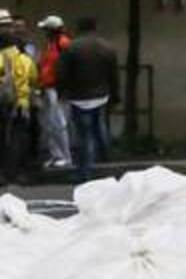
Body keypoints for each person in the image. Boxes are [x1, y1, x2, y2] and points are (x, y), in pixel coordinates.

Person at [56, 17, 120, 182]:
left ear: (79, 28)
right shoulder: (107, 48)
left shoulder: (71, 48)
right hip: (101, 95)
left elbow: (62, 73)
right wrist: (115, 96)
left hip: (79, 97)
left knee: (84, 134)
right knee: (99, 128)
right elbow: (114, 75)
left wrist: (62, 93)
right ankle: (105, 161)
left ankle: (85, 171)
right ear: (95, 27)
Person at [0, 31, 38, 185]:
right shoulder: (25, 59)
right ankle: (20, 173)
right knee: (21, 139)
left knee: (2, 139)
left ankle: (2, 174)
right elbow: (34, 79)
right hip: (22, 106)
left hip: (2, 104)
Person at [36, 14, 73, 170]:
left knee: (59, 124)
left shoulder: (63, 43)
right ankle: (56, 154)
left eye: (45, 29)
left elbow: (66, 67)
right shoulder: (51, 44)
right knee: (49, 124)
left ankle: (65, 156)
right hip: (48, 87)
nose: (44, 33)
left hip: (56, 88)